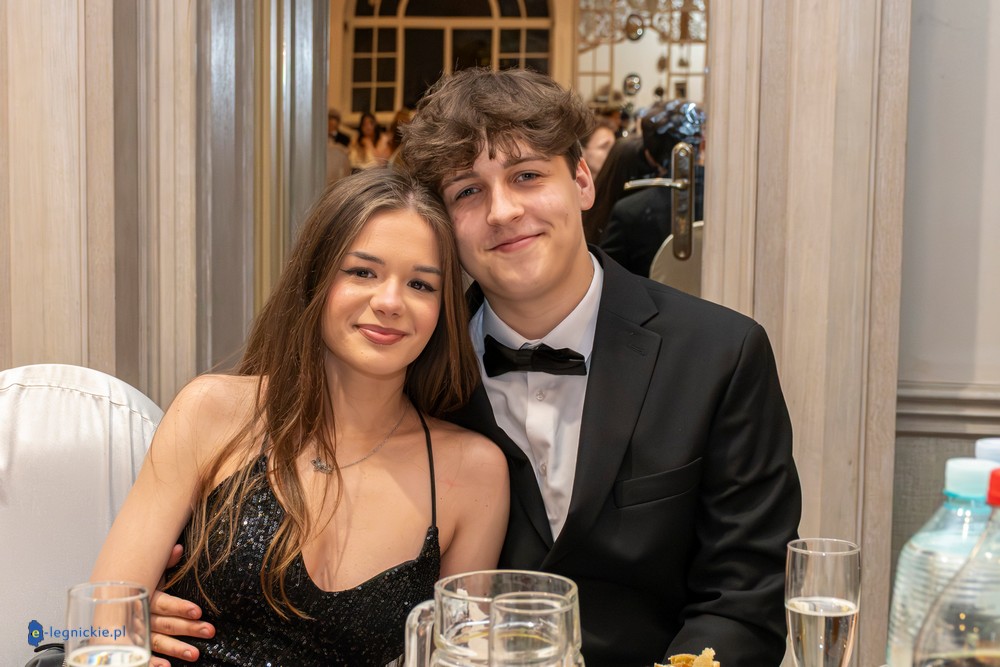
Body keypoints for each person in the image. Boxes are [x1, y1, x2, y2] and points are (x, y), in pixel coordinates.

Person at [150, 69, 800, 667]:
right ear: (445, 225)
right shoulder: (401, 364)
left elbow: (743, 602)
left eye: (527, 175)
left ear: (582, 180)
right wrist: (154, 606)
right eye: (468, 190)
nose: (503, 211)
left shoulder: (720, 354)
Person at [92, 167, 509, 666]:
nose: (390, 302)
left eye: (421, 284)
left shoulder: (474, 472)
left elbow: (462, 656)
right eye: (362, 272)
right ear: (315, 277)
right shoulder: (212, 412)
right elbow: (101, 624)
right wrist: (122, 630)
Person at [600, 99, 706, 276]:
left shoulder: (630, 212)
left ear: (648, 154)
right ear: (702, 144)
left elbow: (606, 277)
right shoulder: (732, 202)